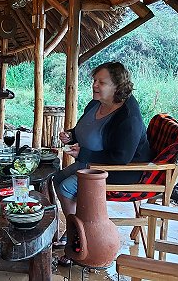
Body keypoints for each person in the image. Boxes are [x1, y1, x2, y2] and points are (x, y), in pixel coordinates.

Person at [52, 62, 152, 262]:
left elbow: (121, 157)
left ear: (118, 86)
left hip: (121, 171)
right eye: (94, 81)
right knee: (56, 178)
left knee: (65, 187)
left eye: (102, 82)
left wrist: (85, 154)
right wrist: (71, 136)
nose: (95, 85)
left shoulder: (128, 117)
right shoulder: (96, 104)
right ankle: (77, 230)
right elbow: (87, 129)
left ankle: (81, 237)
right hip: (94, 164)